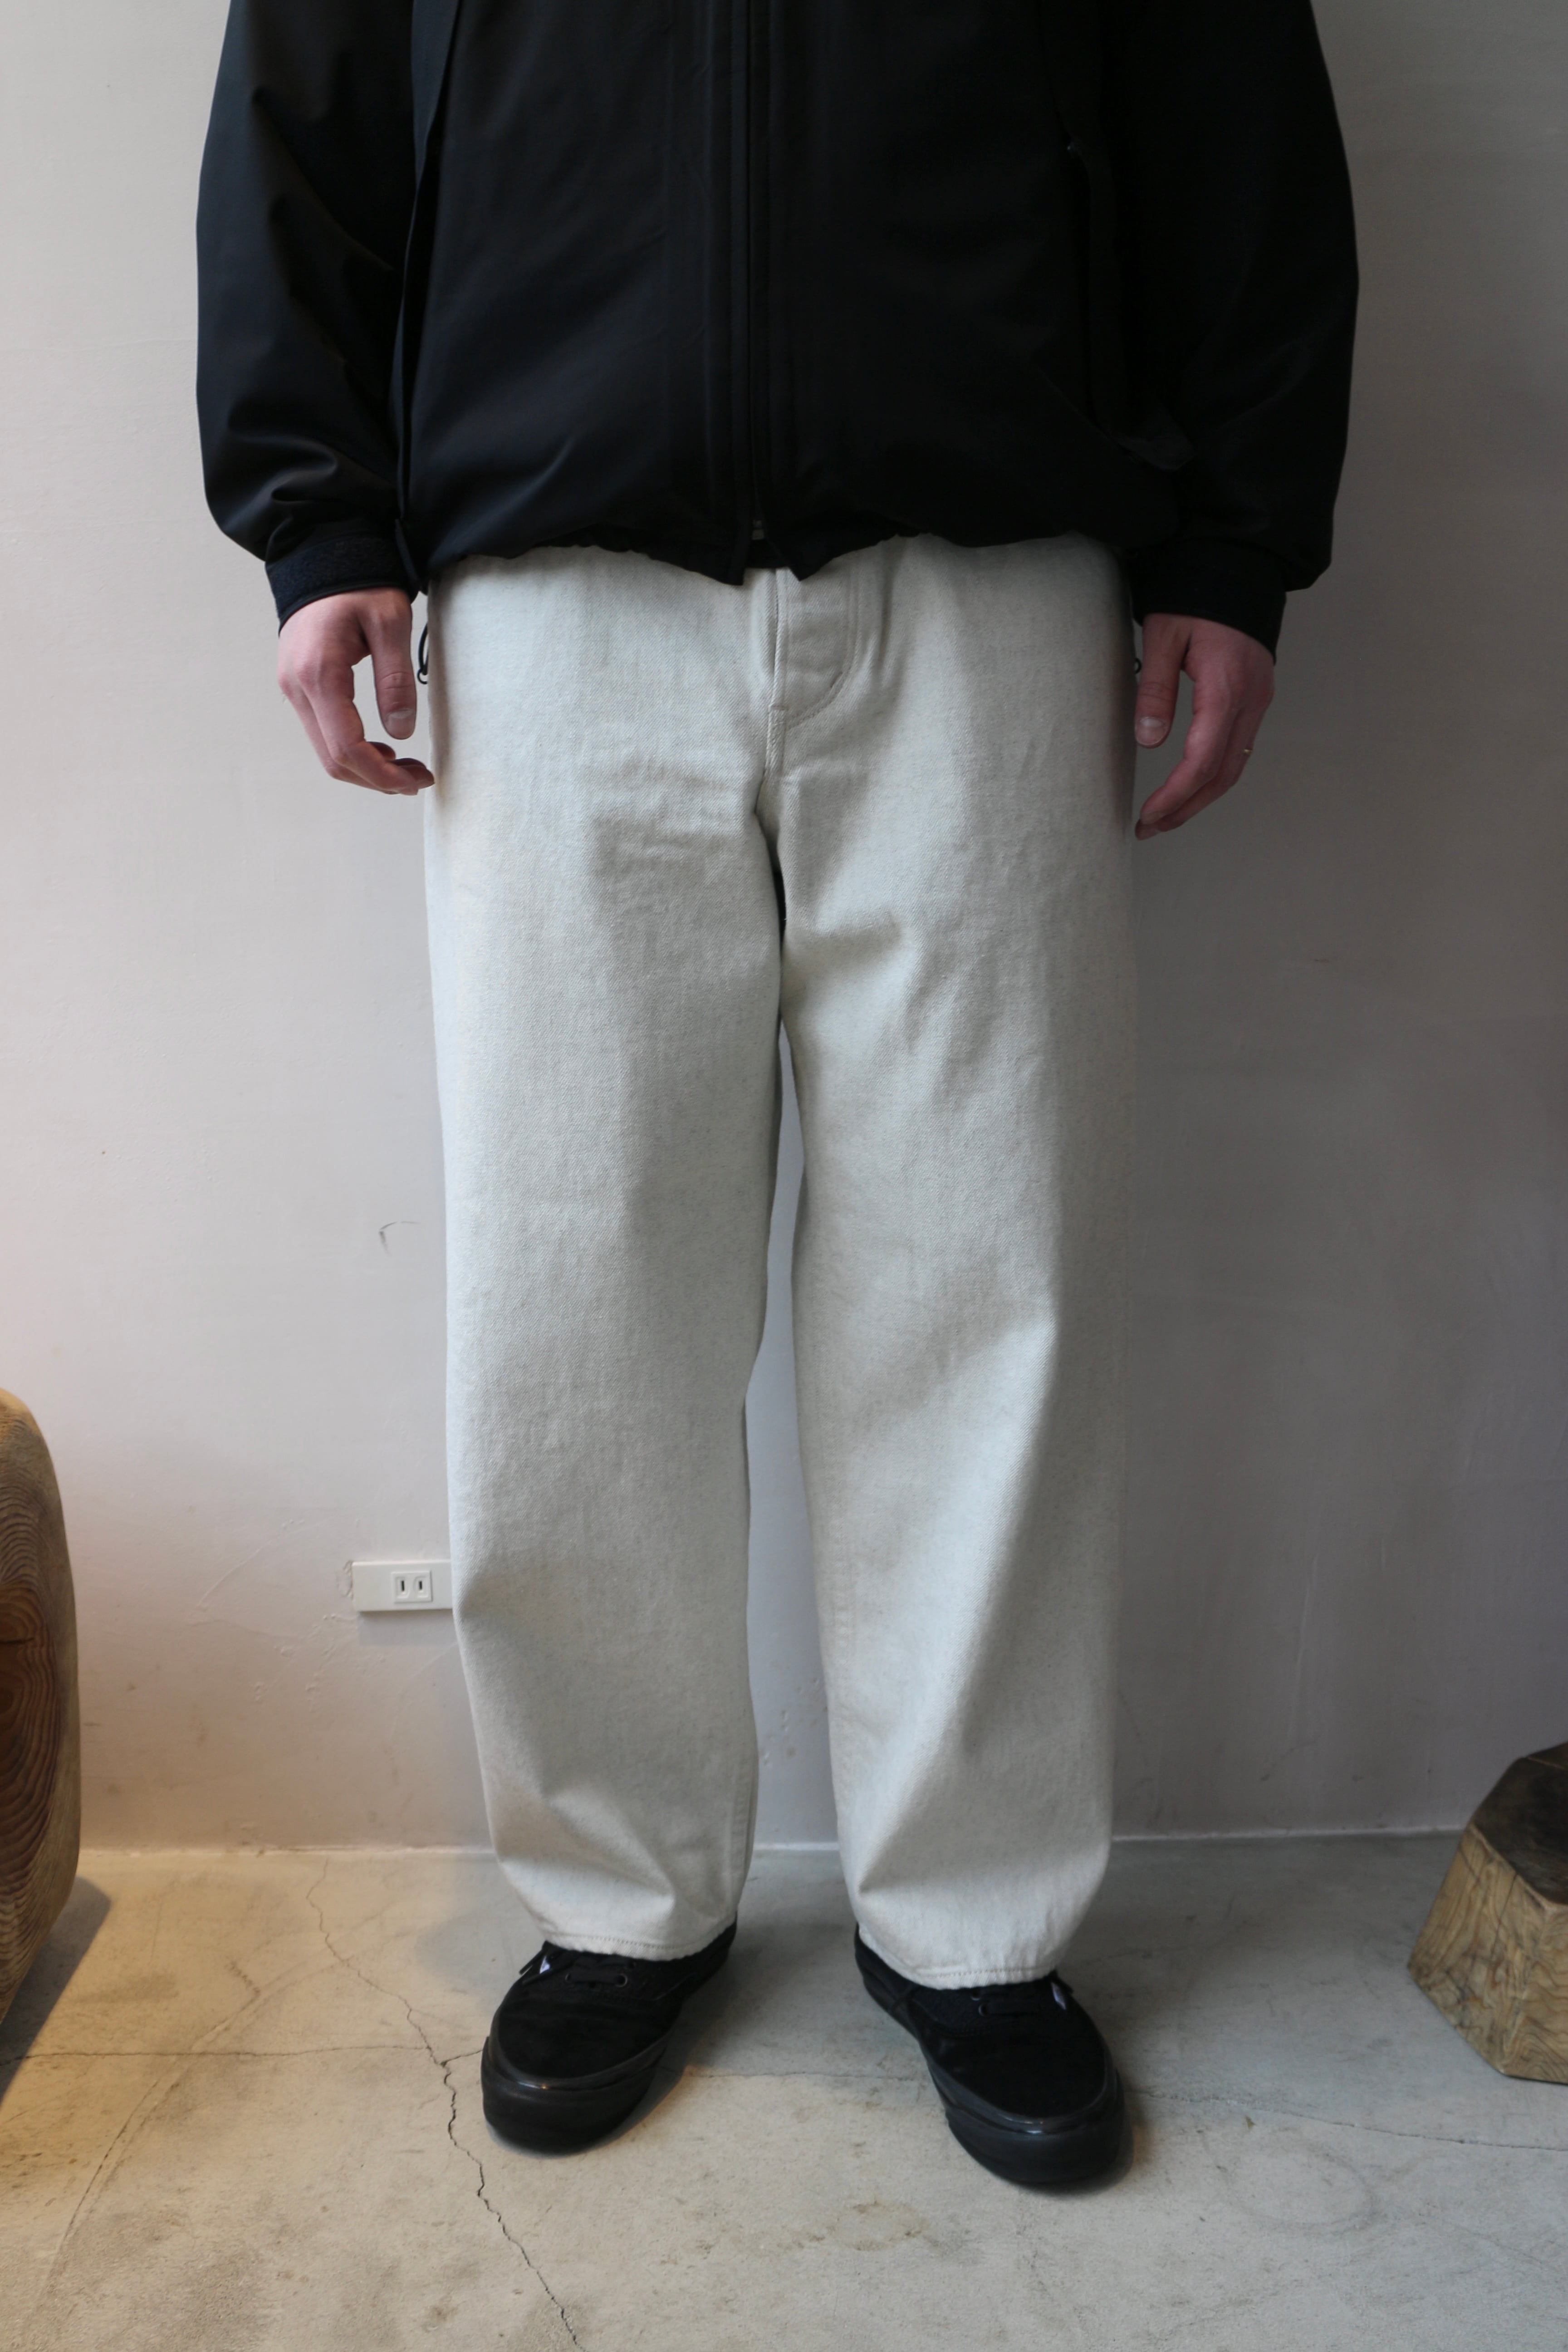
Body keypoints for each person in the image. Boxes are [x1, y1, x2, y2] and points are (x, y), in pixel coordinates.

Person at [197, 0, 1356, 2187]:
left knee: (987, 1274)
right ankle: (620, 1894)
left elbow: (1229, 102)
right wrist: (317, 510)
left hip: (995, 567)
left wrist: (1234, 543)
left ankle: (977, 1922)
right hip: (550, 582)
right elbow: (304, 103)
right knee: (575, 1283)